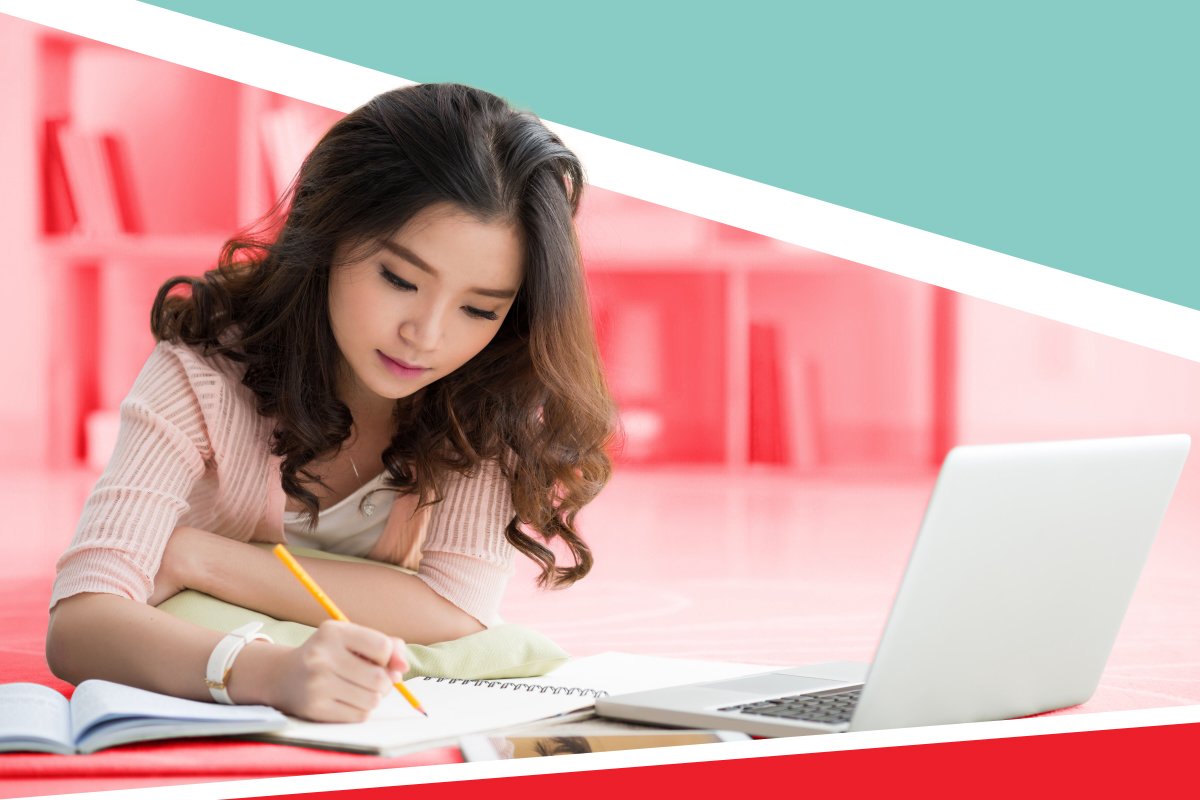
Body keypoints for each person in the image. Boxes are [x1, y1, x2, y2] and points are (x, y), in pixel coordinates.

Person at [45, 83, 616, 722]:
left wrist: (193, 557)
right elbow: (79, 622)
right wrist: (270, 673)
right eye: (399, 279)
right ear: (329, 235)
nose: (426, 335)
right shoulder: (206, 366)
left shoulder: (491, 389)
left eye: (479, 308)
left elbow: (456, 608)